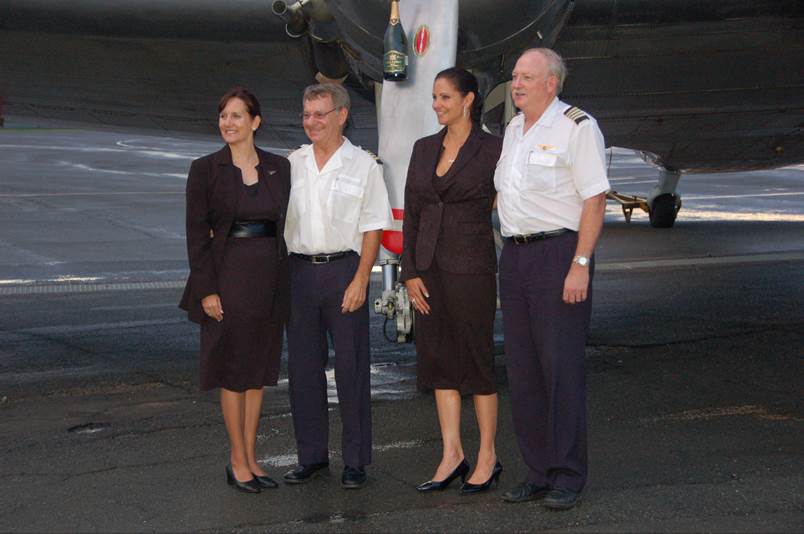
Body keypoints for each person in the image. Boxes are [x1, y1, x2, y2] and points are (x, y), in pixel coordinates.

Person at [494, 48, 610, 509]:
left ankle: (568, 475)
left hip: (558, 255)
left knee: (560, 370)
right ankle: (538, 471)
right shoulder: (513, 130)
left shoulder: (577, 127)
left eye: (527, 77)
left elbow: (595, 200)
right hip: (516, 258)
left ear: (551, 83)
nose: (517, 84)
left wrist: (580, 263)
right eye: (515, 76)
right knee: (522, 373)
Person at [179, 87, 291, 494]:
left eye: (237, 116)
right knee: (232, 371)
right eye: (224, 116)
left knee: (257, 373)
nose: (228, 123)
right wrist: (207, 290)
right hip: (226, 280)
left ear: (255, 123)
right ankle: (237, 460)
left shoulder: (280, 167)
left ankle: (253, 458)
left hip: (268, 281)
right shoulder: (205, 169)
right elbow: (197, 236)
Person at [283, 83, 392, 489]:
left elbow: (373, 226)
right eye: (306, 114)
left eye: (319, 115)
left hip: (344, 271)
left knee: (351, 369)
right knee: (303, 371)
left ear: (341, 115)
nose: (311, 122)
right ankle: (310, 457)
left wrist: (362, 279)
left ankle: (355, 461)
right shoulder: (292, 163)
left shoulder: (364, 165)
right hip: (299, 272)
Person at [400, 67, 503, 495]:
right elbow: (412, 212)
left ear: (469, 99)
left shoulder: (494, 149)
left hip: (472, 267)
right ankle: (451, 454)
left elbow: (509, 197)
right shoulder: (424, 148)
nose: (437, 105)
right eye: (434, 98)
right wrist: (408, 272)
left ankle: (488, 457)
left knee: (476, 361)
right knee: (438, 361)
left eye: (445, 97)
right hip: (428, 270)